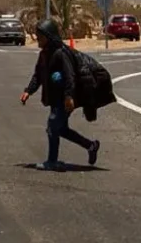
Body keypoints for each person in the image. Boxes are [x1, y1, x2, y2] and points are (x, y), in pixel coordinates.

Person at [20, 19, 100, 172]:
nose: (38, 39)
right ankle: (91, 146)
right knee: (61, 129)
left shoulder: (60, 54)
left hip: (64, 100)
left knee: (52, 127)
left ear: (49, 37)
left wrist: (69, 96)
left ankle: (52, 161)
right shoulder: (44, 55)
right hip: (54, 99)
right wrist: (28, 91)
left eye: (41, 36)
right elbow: (38, 75)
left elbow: (70, 76)